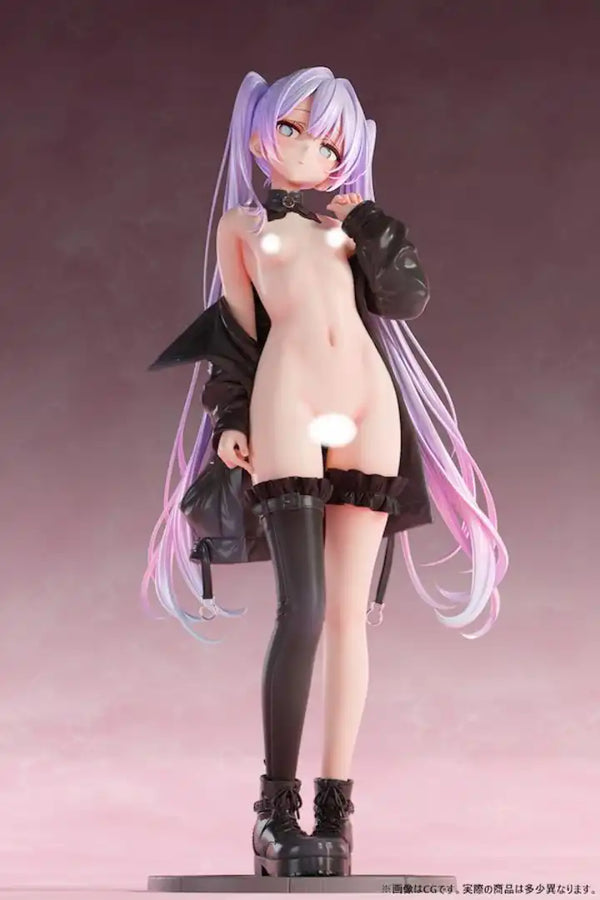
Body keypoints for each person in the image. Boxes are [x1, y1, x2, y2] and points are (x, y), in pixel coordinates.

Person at [143, 67, 509, 878]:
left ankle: (336, 812)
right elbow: (237, 331)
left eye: (328, 141)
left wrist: (368, 220)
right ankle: (274, 814)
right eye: (292, 129)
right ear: (260, 132)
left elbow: (406, 299)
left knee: (348, 617)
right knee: (303, 608)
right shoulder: (243, 226)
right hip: (290, 400)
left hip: (368, 407)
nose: (308, 150)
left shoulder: (351, 222)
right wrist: (231, 419)